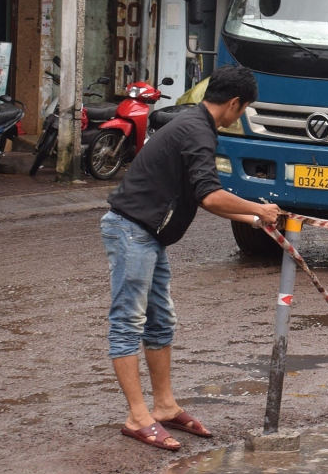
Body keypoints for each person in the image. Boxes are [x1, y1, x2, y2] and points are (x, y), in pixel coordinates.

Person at [102, 66, 286, 452]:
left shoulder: (195, 124)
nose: (241, 116)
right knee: (127, 323)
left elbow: (202, 197)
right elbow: (210, 196)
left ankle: (165, 406)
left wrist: (255, 220)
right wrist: (258, 209)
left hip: (150, 234)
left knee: (160, 322)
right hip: (132, 230)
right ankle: (137, 416)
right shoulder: (197, 131)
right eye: (244, 109)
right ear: (234, 103)